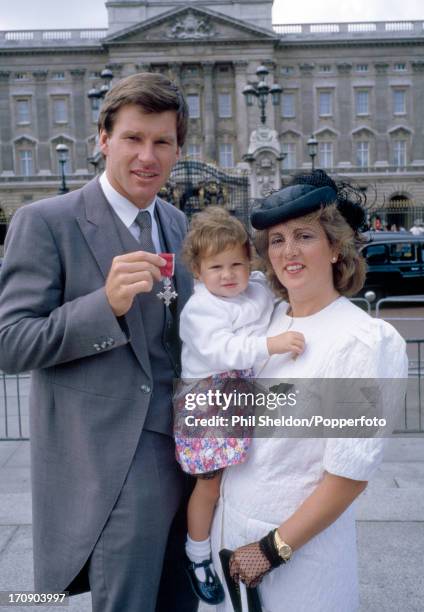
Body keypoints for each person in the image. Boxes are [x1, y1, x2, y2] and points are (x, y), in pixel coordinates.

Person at [0, 73, 198, 612]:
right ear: (103, 139)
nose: (147, 156)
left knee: (179, 601)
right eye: (133, 138)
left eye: (162, 142)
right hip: (113, 464)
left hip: (190, 453)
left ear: (178, 149)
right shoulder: (45, 221)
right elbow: (11, 343)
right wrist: (102, 306)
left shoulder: (177, 223)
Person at [210, 170, 408, 612]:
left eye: (304, 236)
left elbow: (346, 477)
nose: (288, 251)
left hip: (296, 561)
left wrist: (271, 549)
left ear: (336, 247)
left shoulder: (360, 341)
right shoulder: (268, 321)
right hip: (231, 544)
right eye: (276, 240)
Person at [175, 207, 305, 605]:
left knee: (244, 478)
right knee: (210, 483)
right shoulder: (201, 309)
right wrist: (271, 345)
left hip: (242, 397)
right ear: (197, 271)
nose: (228, 274)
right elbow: (223, 350)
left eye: (237, 263)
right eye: (216, 267)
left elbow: (278, 307)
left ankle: (230, 542)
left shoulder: (258, 289)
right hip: (208, 403)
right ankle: (197, 554)